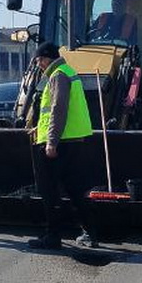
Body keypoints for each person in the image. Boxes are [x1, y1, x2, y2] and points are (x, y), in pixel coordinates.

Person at [26, 40, 100, 252]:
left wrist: (51, 141)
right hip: (73, 141)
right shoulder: (67, 71)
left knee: (49, 191)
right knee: (76, 190)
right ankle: (90, 233)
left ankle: (53, 236)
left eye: (39, 60)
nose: (38, 64)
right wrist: (38, 130)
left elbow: (58, 110)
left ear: (47, 58)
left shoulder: (58, 75)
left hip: (60, 144)